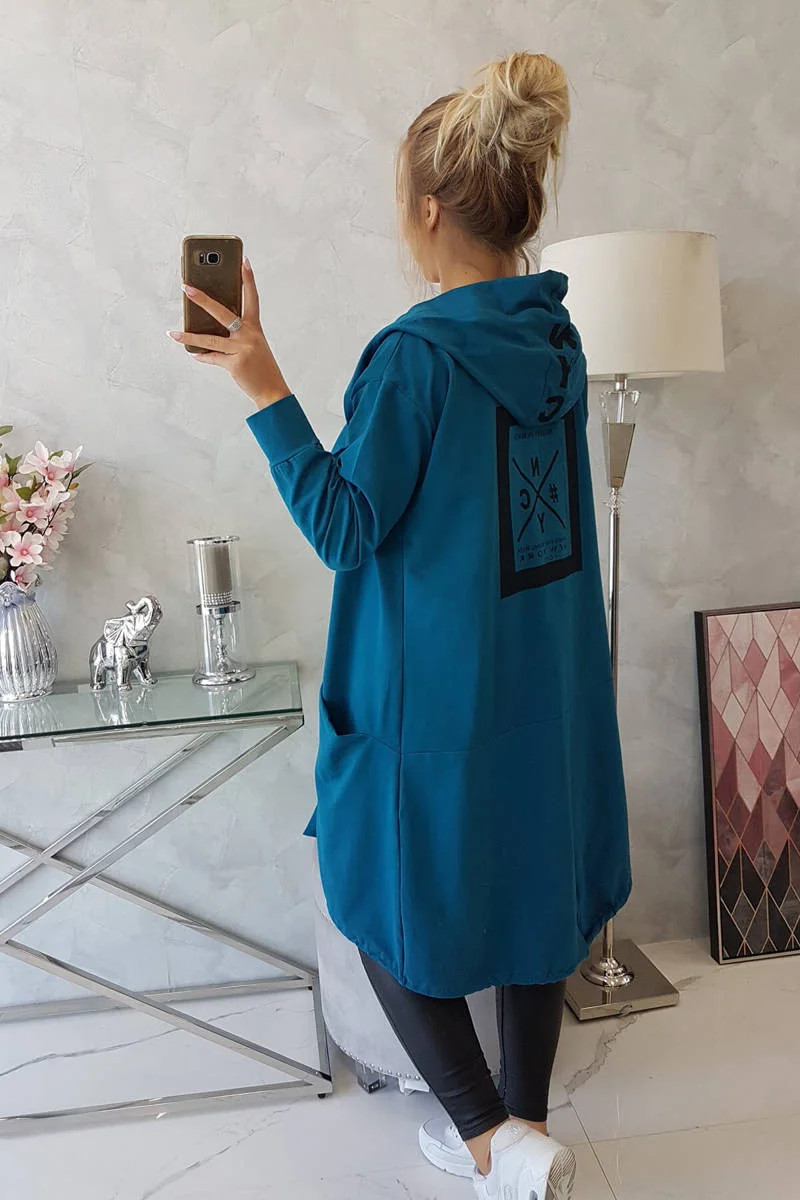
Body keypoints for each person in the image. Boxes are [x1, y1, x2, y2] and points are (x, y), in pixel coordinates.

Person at [168, 50, 632, 1200]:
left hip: (429, 696)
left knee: (370, 891)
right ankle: (521, 1131)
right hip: (543, 688)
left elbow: (344, 527)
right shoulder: (555, 343)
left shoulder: (417, 359)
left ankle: (488, 1139)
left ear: (426, 209)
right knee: (532, 890)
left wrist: (261, 382)